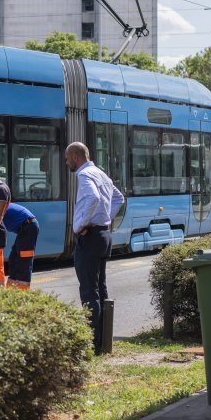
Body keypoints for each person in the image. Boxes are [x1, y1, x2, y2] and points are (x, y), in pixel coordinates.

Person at [64, 141, 124, 354]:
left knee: (89, 290)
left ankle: (93, 343)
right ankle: (104, 340)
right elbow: (118, 198)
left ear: (75, 157)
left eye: (66, 159)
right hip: (103, 235)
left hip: (90, 236)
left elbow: (93, 197)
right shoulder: (101, 173)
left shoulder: (84, 174)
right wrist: (105, 219)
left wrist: (80, 225)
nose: (66, 163)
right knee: (101, 287)